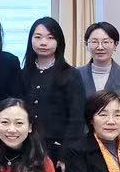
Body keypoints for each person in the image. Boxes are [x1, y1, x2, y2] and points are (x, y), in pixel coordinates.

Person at [21, 17, 86, 160]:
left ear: (59, 42)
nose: (43, 42)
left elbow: (76, 119)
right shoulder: (23, 73)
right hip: (24, 147)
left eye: (50, 38)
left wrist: (65, 155)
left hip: (57, 149)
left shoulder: (70, 74)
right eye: (38, 37)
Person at [77, 22, 120, 132]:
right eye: (94, 42)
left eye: (106, 42)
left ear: (115, 45)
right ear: (86, 44)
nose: (100, 47)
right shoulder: (73, 76)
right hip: (81, 140)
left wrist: (111, 135)